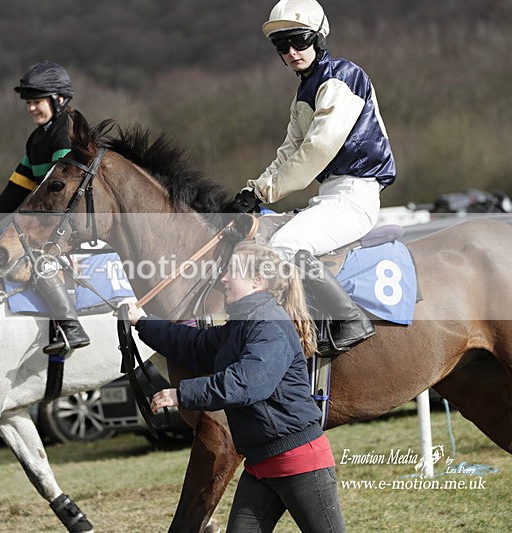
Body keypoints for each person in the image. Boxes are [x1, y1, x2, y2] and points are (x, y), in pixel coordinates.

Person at [126, 241, 346, 532]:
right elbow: (195, 345)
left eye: (233, 272)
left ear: (257, 281)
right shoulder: (241, 324)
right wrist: (143, 323)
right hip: (260, 464)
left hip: (299, 462)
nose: (224, 278)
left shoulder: (269, 325)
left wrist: (181, 394)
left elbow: (246, 383)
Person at [227, 0, 396, 352]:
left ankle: (350, 320)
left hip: (355, 196)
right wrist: (252, 190)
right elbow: (289, 151)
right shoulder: (305, 91)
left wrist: (265, 192)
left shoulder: (341, 78)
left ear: (318, 38)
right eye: (282, 45)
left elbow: (317, 150)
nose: (291, 52)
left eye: (299, 41)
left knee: (283, 247)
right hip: (332, 195)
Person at [0, 60, 89, 353]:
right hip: (51, 217)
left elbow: (60, 191)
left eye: (37, 102)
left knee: (35, 256)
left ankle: (71, 326)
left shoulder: (65, 131)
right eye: (28, 103)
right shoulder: (37, 138)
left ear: (59, 99)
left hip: (72, 217)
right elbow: (16, 189)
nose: (31, 108)